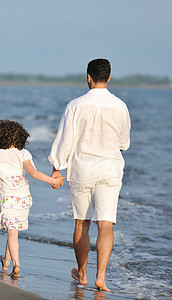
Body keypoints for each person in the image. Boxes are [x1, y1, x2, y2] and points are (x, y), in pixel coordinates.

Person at [48, 58, 131, 291]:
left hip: (82, 168)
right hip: (110, 169)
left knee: (81, 223)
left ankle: (82, 273)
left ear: (88, 77)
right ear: (109, 78)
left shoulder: (75, 105)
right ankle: (101, 277)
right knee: (106, 225)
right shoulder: (121, 106)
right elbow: (124, 143)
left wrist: (57, 168)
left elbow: (65, 140)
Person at [0, 120, 64, 276]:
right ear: (21, 137)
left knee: (12, 232)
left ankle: (17, 264)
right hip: (23, 198)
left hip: (7, 199)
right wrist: (53, 180)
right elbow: (34, 173)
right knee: (12, 232)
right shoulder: (23, 154)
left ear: (0, 136)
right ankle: (6, 263)